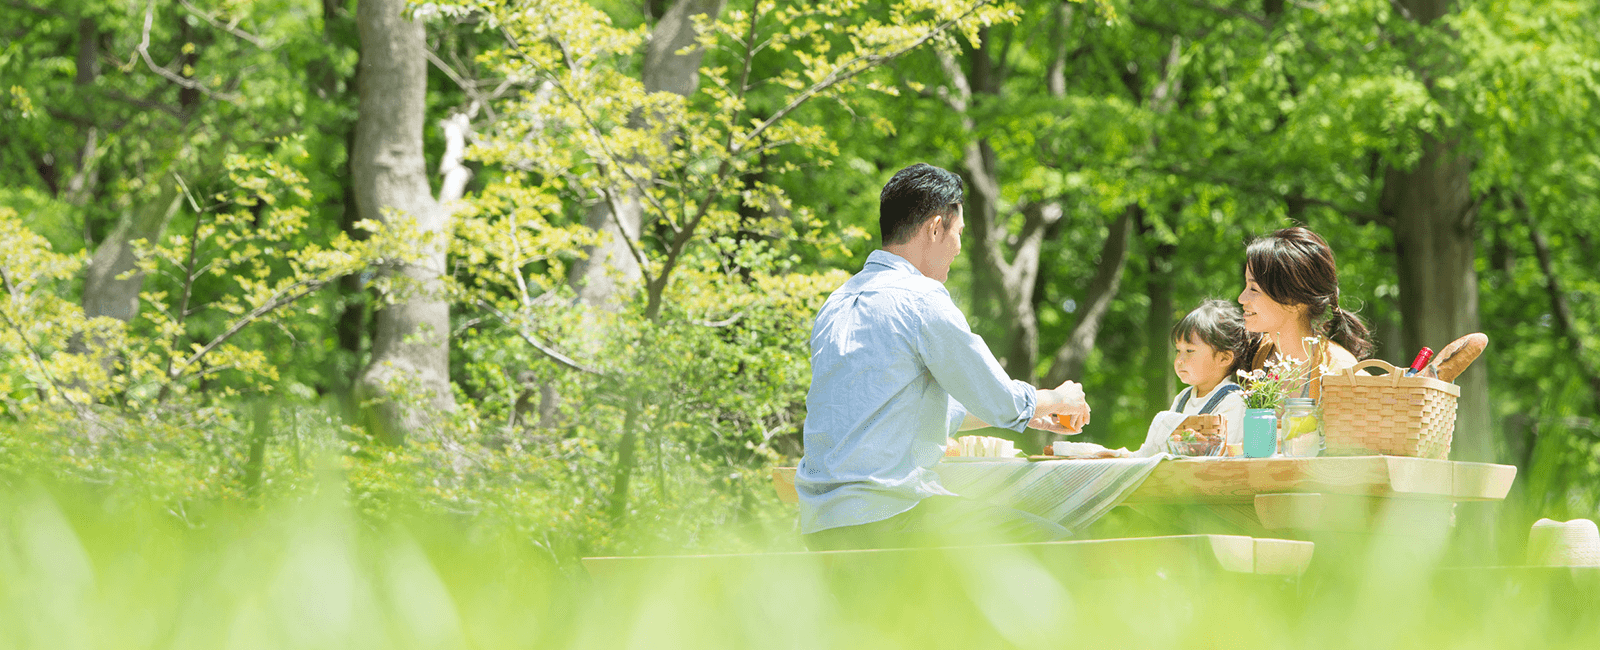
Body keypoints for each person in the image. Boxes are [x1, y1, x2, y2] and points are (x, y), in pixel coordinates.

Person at [796, 163, 1091, 551]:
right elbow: (1000, 399)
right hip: (891, 515)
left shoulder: (838, 302)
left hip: (822, 526)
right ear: (936, 228)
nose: (959, 247)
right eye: (959, 233)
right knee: (1060, 546)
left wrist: (1031, 412)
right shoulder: (921, 299)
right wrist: (1057, 398)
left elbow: (897, 409)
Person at [1237, 226, 1372, 396]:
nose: (1241, 298)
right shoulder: (1256, 354)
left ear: (1294, 300)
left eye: (1254, 289)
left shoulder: (1340, 371)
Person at [1168, 299, 1251, 450]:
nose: (1179, 360)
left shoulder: (1232, 401)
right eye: (1178, 351)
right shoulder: (1182, 398)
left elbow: (1224, 453)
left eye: (1190, 351)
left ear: (1223, 358)